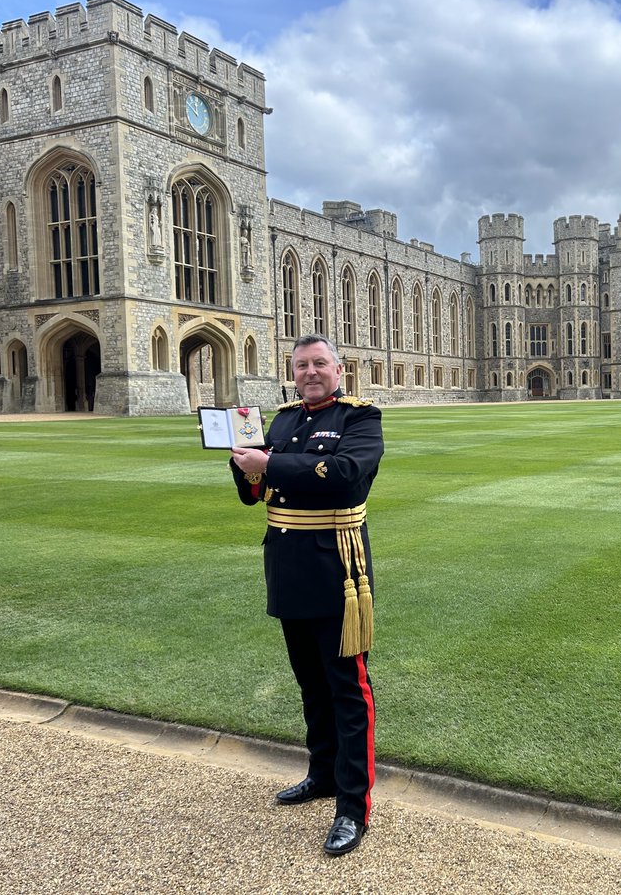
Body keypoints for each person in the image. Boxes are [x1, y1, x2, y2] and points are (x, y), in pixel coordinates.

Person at [229, 334, 383, 857]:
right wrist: (241, 460)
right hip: (289, 564)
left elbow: (343, 476)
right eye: (301, 366)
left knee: (347, 689)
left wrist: (267, 463)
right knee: (310, 683)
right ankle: (321, 774)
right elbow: (258, 495)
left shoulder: (361, 419)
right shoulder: (285, 419)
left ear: (339, 369)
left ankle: (353, 806)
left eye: (320, 364)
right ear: (292, 372)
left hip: (337, 568)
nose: (310, 372)